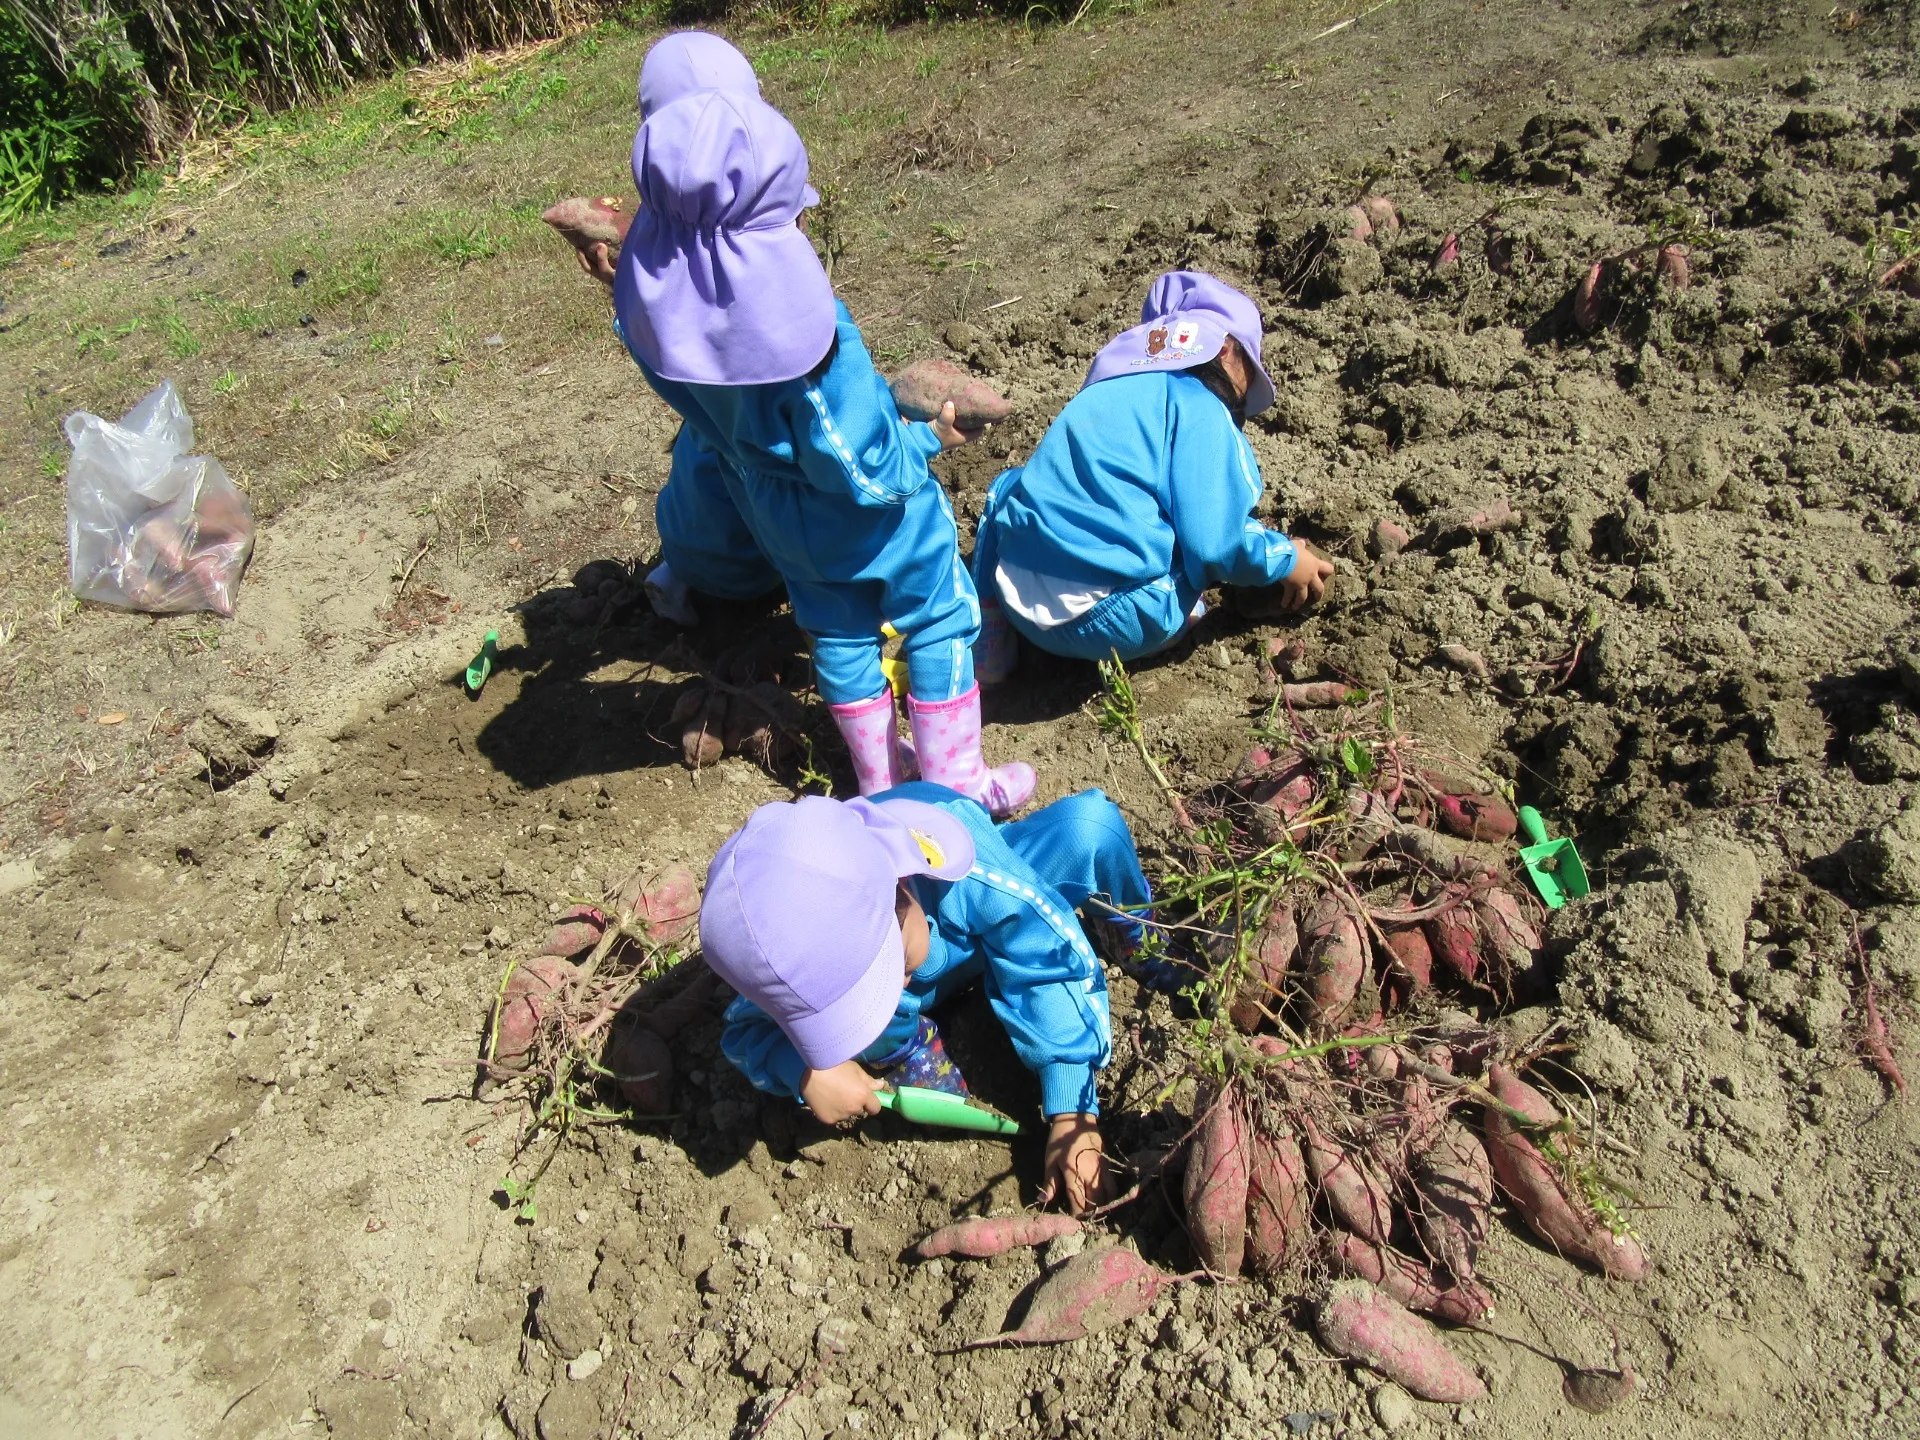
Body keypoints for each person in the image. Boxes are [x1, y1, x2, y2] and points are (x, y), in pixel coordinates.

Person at [610, 87, 1034, 815]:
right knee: (936, 616)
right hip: (859, 517)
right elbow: (858, 464)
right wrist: (928, 440)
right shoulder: (809, 346)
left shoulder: (661, 322)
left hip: (774, 511)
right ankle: (956, 788)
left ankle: (879, 786)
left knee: (837, 630)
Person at [699, 784, 1151, 1214]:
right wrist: (804, 1073)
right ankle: (907, 1047)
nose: (891, 994)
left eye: (882, 979)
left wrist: (1073, 1109)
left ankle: (1141, 942)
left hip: (970, 924)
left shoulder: (969, 874)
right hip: (931, 940)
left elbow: (1042, 956)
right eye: (853, 1005)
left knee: (1091, 828)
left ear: (900, 888)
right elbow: (744, 1032)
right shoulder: (793, 961)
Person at [969, 271, 1335, 682]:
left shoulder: (1111, 389)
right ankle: (1183, 621)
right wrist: (1285, 558)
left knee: (1007, 487)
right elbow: (1214, 544)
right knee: (1196, 560)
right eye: (1252, 363)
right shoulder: (1201, 408)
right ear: (1227, 349)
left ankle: (986, 647)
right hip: (1106, 622)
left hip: (1016, 593)